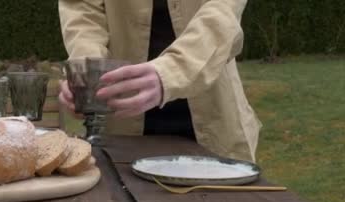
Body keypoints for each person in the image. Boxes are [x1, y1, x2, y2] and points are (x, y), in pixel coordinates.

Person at [58, 0, 262, 162]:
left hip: (212, 119)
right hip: (121, 124)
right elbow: (83, 12)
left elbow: (222, 14)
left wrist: (170, 73)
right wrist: (90, 74)